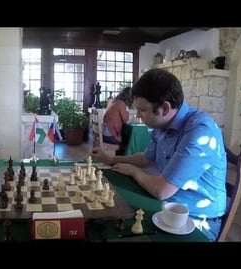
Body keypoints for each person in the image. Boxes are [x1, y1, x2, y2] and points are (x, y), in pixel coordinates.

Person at [90, 68, 227, 241]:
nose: (138, 116)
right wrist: (111, 159)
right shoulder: (163, 124)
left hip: (197, 220)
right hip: (165, 206)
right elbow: (147, 157)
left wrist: (133, 171)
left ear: (165, 108)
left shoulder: (200, 130)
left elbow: (162, 190)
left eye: (142, 110)